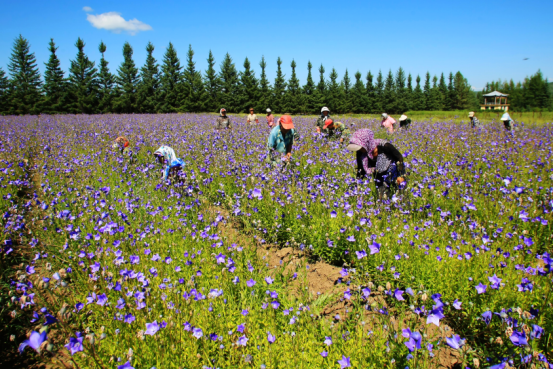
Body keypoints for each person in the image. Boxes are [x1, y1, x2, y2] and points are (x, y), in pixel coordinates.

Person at [346, 129, 406, 199]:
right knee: (381, 198)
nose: (359, 149)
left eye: (360, 146)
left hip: (394, 171)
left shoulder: (384, 145)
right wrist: (356, 185)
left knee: (400, 195)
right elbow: (360, 170)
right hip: (379, 176)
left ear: (366, 142)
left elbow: (399, 158)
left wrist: (400, 175)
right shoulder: (360, 153)